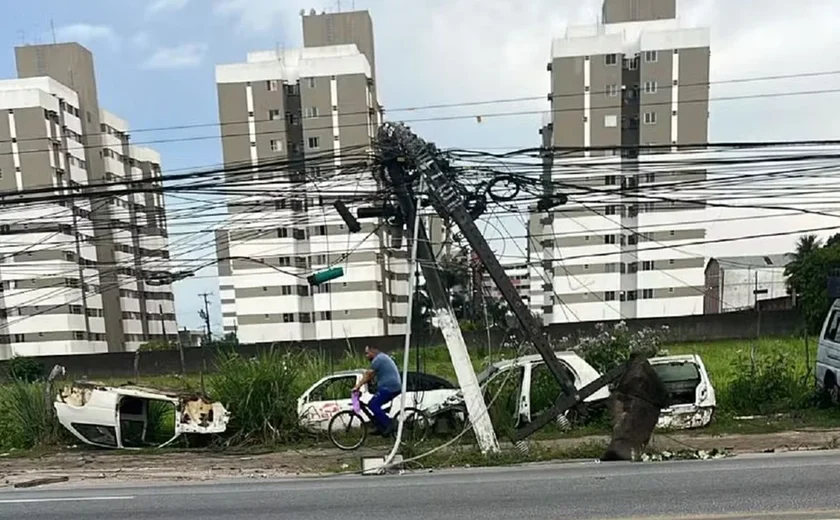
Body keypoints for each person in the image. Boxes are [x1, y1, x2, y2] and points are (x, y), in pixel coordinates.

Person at [353, 345, 402, 435]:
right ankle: (380, 426)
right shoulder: (381, 358)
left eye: (367, 353)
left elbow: (368, 375)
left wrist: (357, 386)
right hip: (391, 386)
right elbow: (371, 376)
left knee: (373, 404)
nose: (366, 356)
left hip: (390, 387)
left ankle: (389, 424)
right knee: (374, 404)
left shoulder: (378, 360)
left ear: (373, 351)